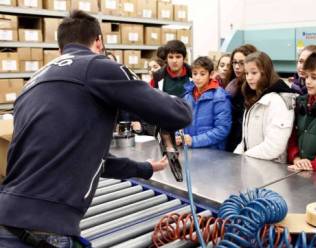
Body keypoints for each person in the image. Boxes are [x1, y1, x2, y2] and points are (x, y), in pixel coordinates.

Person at [0, 10, 191, 248]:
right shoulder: (97, 66)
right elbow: (177, 114)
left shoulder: (32, 83)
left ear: (60, 47)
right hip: (47, 230)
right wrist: (184, 104)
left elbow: (85, 157)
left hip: (6, 219)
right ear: (99, 41)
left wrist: (145, 168)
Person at [234, 52, 295, 161]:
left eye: (254, 73)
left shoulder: (277, 101)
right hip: (253, 165)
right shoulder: (253, 98)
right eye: (247, 73)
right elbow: (245, 141)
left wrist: (244, 157)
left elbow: (274, 147)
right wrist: (234, 158)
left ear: (265, 72)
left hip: (271, 170)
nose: (249, 78)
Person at [176, 56, 231, 149]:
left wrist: (194, 141)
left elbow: (222, 129)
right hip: (189, 150)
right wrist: (178, 135)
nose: (197, 78)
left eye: (202, 74)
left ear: (211, 74)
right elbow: (180, 122)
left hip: (213, 153)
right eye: (195, 74)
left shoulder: (220, 97)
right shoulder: (187, 96)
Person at [224, 44, 257, 152]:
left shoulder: (253, 88)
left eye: (242, 63)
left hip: (246, 144)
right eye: (234, 62)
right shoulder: (231, 85)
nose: (237, 67)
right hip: (230, 139)